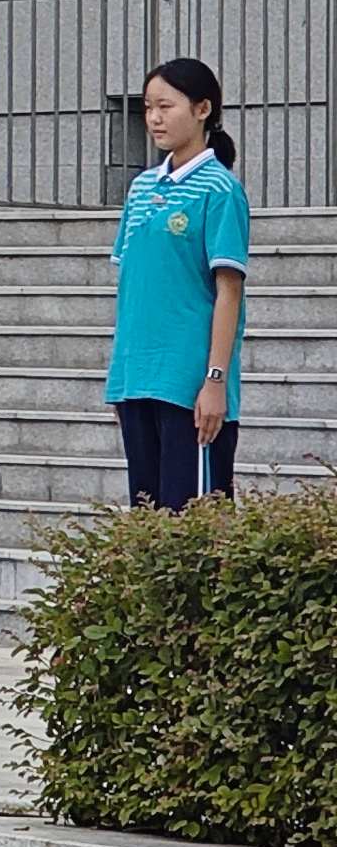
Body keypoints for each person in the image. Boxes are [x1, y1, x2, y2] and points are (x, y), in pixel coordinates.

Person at [106, 56, 249, 508]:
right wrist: (121, 378)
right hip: (136, 379)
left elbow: (229, 291)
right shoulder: (141, 189)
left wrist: (214, 381)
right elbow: (134, 288)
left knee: (194, 523)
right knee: (148, 523)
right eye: (148, 107)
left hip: (189, 386)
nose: (154, 118)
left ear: (203, 109)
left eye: (165, 106)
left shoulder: (220, 190)